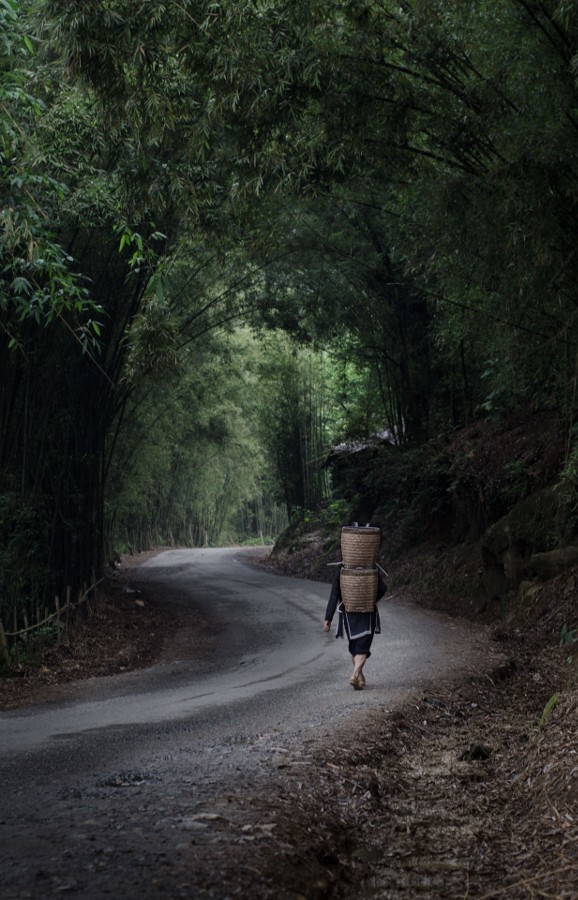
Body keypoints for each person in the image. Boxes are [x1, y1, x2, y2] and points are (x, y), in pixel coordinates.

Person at [323, 567, 387, 690]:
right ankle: (354, 675)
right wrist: (370, 600)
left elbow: (334, 595)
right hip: (368, 613)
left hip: (349, 615)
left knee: (355, 648)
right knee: (362, 648)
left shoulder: (342, 572)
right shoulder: (371, 570)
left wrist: (328, 619)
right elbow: (382, 589)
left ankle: (360, 679)